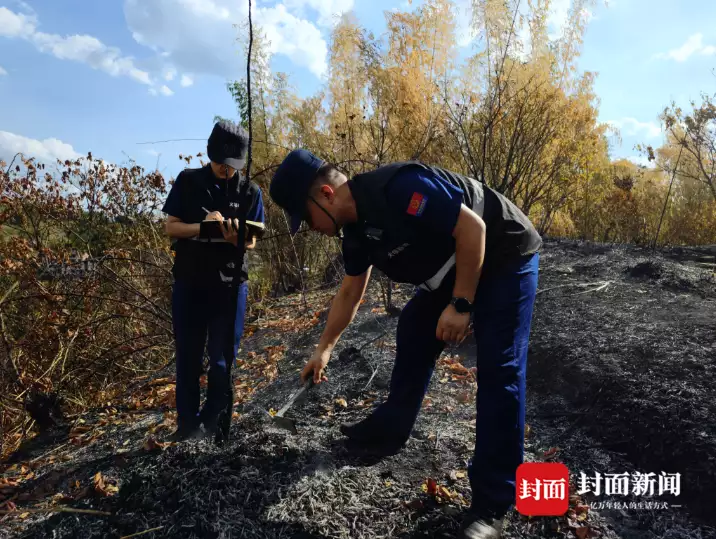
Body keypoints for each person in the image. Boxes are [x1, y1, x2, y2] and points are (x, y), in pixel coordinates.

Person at [269, 150, 541, 539]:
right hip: (451, 265)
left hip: (503, 251)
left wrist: (461, 304)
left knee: (500, 368)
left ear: (326, 194)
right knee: (414, 328)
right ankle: (390, 430)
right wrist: (324, 348)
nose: (309, 227)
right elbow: (350, 292)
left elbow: (474, 230)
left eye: (305, 216)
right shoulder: (355, 233)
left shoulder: (398, 188)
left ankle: (493, 502)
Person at [161, 121, 265, 441]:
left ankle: (216, 430)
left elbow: (254, 238)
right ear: (211, 154)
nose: (226, 170)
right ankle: (187, 430)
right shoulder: (189, 181)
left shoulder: (250, 191)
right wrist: (202, 228)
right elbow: (171, 228)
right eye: (222, 163)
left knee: (222, 363)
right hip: (190, 284)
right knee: (189, 360)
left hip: (230, 286)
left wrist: (239, 236)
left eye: (233, 166)